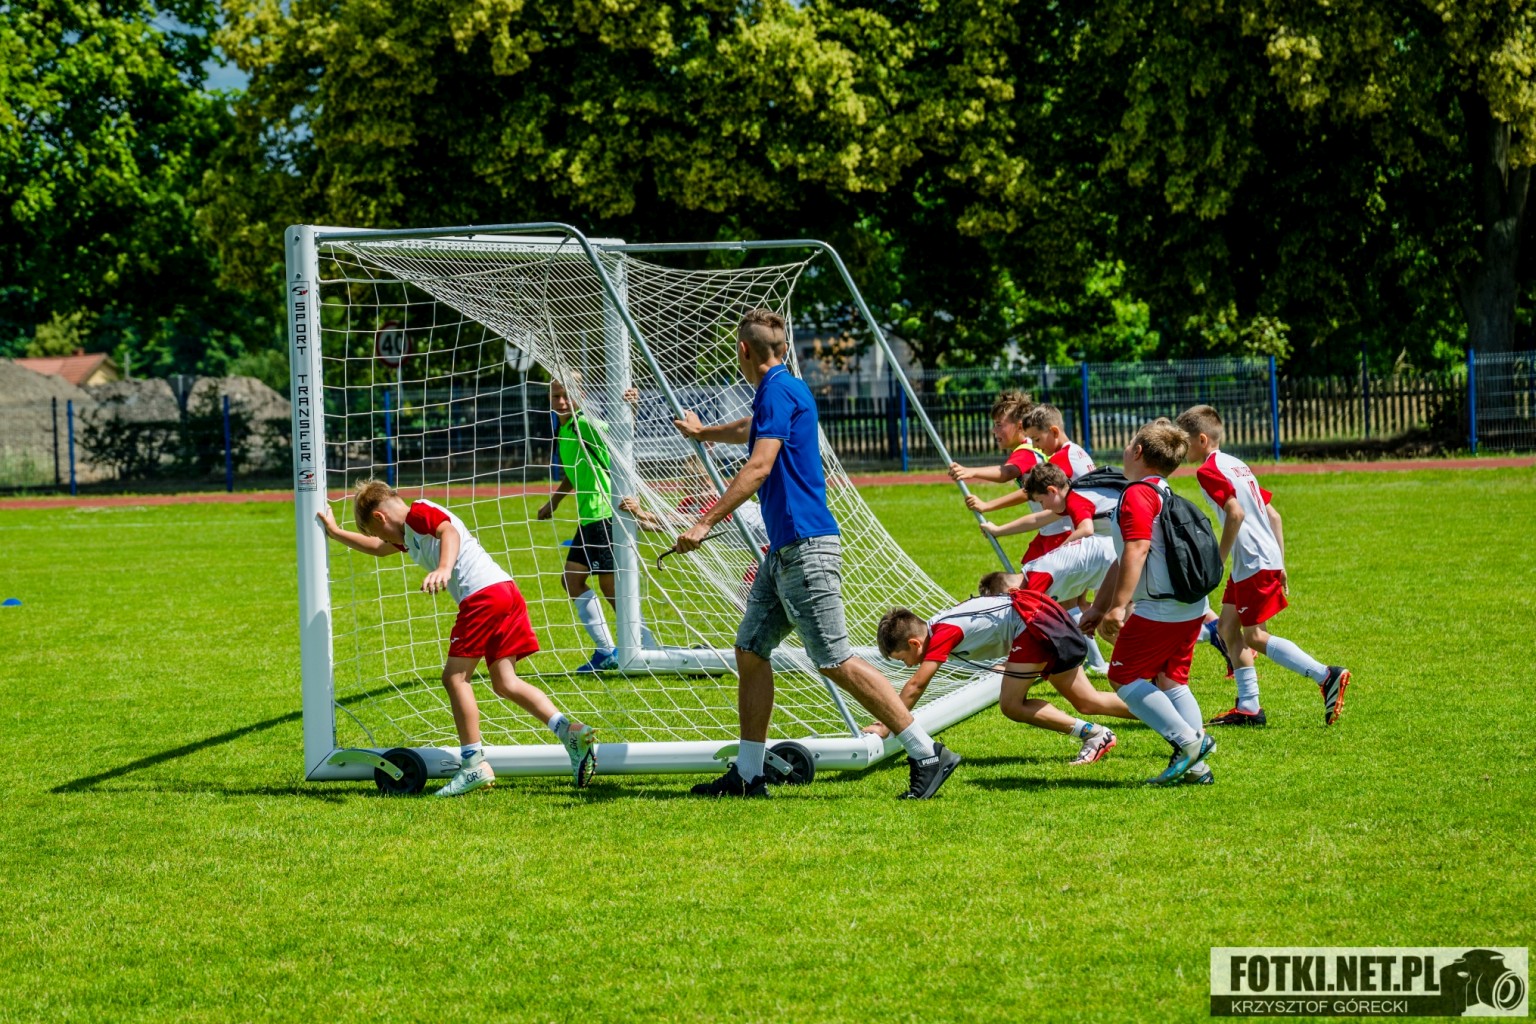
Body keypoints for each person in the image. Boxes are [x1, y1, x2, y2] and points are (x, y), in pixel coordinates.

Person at [670, 308, 962, 799]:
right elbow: (752, 428)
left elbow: (759, 465)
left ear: (743, 350)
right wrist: (704, 434)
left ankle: (927, 752)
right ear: (782, 349)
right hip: (785, 551)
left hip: (805, 547)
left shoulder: (777, 391)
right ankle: (748, 775)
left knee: (833, 660)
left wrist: (705, 521)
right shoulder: (781, 389)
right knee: (750, 650)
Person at [318, 479, 598, 796]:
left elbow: (448, 531)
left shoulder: (418, 513)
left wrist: (444, 568)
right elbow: (377, 549)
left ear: (380, 518)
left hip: (482, 596)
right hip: (505, 591)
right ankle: (568, 732)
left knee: (454, 678)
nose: (384, 540)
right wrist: (335, 532)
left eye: (379, 532)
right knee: (505, 682)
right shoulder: (408, 533)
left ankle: (473, 764)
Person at [1176, 405, 1350, 726]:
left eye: (1185, 441)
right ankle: (1249, 708)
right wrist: (1279, 561)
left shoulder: (1208, 471)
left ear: (1201, 440)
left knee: (1255, 636)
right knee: (1227, 628)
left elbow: (1236, 514)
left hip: (1252, 559)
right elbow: (1274, 515)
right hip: (1258, 559)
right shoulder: (1237, 464)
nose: (1182, 448)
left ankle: (1326, 676)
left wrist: (1217, 561)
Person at [1079, 419, 1217, 786]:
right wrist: (1098, 606)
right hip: (1190, 605)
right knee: (1171, 679)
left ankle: (1190, 743)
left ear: (1138, 451)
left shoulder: (1137, 494)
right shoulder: (1162, 490)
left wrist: (1118, 607)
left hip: (1160, 608)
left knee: (1122, 677)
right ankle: (1197, 768)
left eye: (1128, 445)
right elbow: (1122, 557)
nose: (1125, 451)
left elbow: (1137, 550)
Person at [873, 592, 1132, 764]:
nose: (908, 665)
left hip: (1033, 625)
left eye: (903, 658)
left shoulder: (943, 633)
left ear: (915, 643)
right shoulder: (938, 628)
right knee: (1087, 701)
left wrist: (887, 724)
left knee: (1011, 704)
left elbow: (917, 684)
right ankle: (1155, 711)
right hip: (1042, 617)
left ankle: (1092, 733)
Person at [537, 378, 659, 672]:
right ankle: (606, 651)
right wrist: (554, 502)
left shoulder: (585, 424)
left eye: (567, 395)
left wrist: (631, 408)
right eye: (556, 396)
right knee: (571, 580)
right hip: (589, 517)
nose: (561, 402)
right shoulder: (564, 428)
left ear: (581, 395)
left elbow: (620, 436)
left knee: (610, 586)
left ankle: (648, 646)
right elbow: (575, 472)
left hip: (605, 513)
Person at [947, 392, 1060, 566]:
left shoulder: (1028, 451)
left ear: (1020, 426)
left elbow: (1007, 474)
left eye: (999, 425)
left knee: (1035, 577)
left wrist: (970, 473)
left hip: (1059, 530)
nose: (994, 430)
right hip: (1052, 528)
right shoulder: (1031, 449)